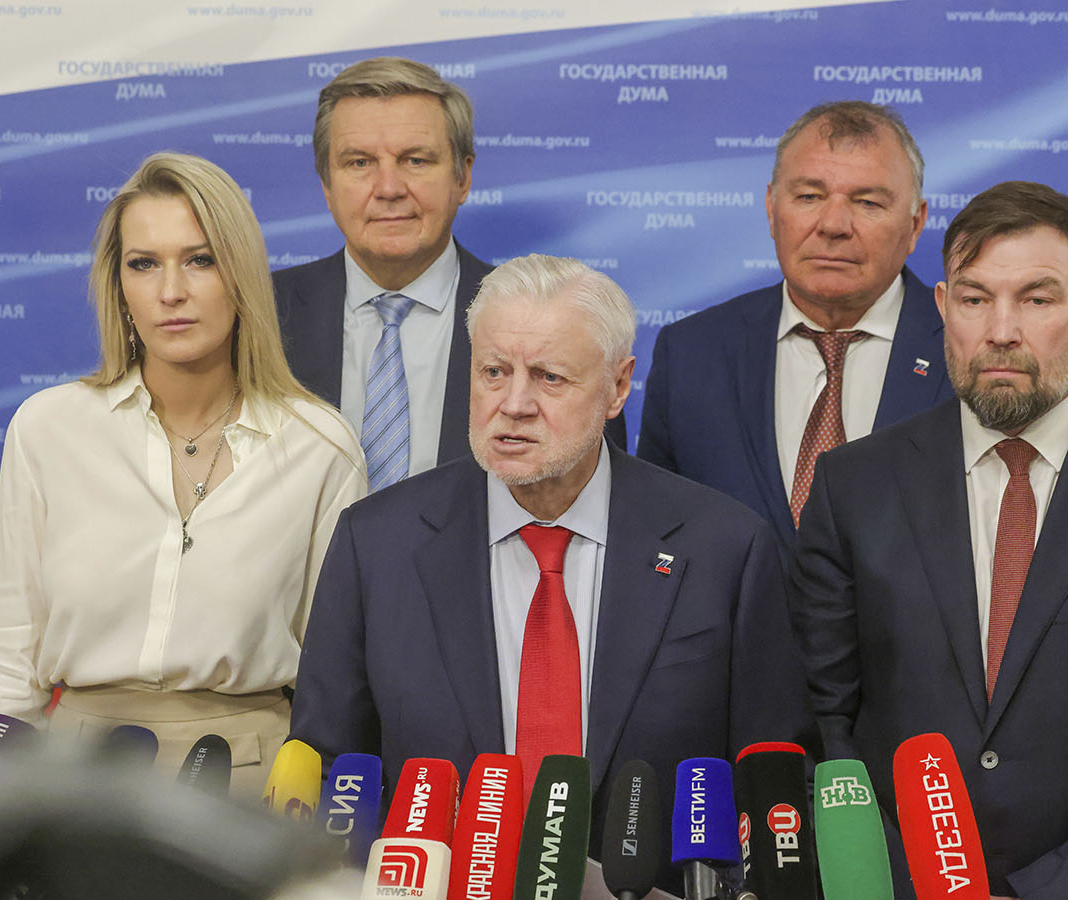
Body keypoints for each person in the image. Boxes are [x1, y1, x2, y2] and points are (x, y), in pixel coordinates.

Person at [789, 181, 1068, 899]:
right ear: (943, 307)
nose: (1001, 330)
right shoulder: (851, 486)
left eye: (1036, 299)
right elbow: (822, 723)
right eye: (975, 299)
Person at [290, 254, 813, 887]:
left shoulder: (724, 547)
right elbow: (330, 770)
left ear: (618, 387)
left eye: (549, 377)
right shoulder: (377, 543)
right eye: (494, 372)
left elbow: (774, 785)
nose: (514, 404)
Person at [0, 152, 366, 797]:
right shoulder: (47, 428)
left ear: (241, 275)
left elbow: (335, 673)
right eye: (143, 264)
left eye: (200, 260)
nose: (171, 292)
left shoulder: (320, 445)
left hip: (252, 782)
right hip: (73, 782)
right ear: (118, 286)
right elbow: (12, 650)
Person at [273, 57, 623, 492]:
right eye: (360, 163)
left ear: (463, 177)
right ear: (327, 184)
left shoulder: (556, 323)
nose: (389, 188)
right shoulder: (258, 315)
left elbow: (591, 496)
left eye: (416, 160)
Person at [638, 101, 951, 547]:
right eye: (809, 197)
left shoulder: (969, 351)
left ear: (915, 223)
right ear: (771, 209)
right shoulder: (691, 353)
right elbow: (658, 538)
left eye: (867, 202)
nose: (834, 225)